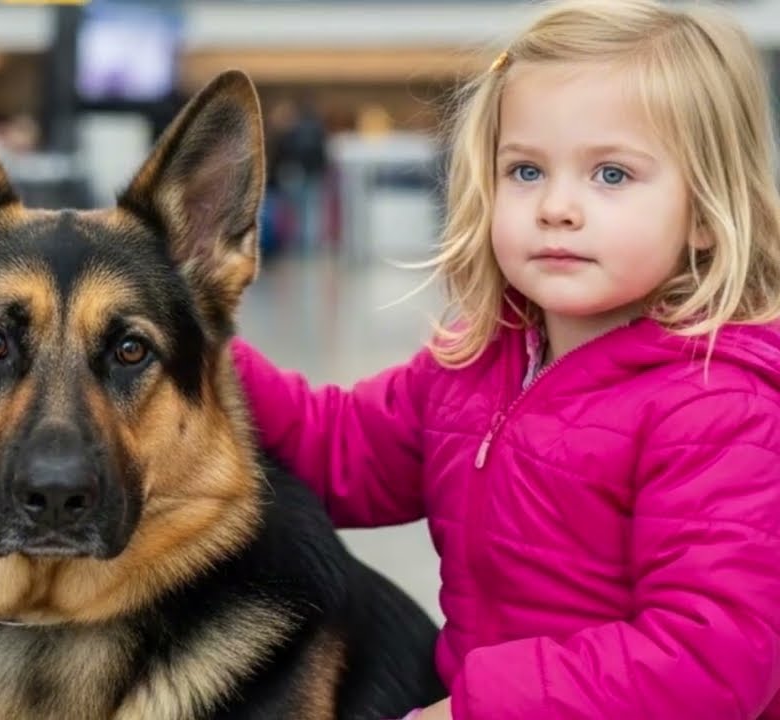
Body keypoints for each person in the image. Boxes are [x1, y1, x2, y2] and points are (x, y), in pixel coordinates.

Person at [231, 1, 780, 718]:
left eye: (611, 175)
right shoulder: (472, 364)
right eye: (526, 170)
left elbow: (709, 660)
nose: (557, 207)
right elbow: (336, 451)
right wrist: (202, 345)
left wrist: (476, 706)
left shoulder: (718, 408)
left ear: (705, 212)